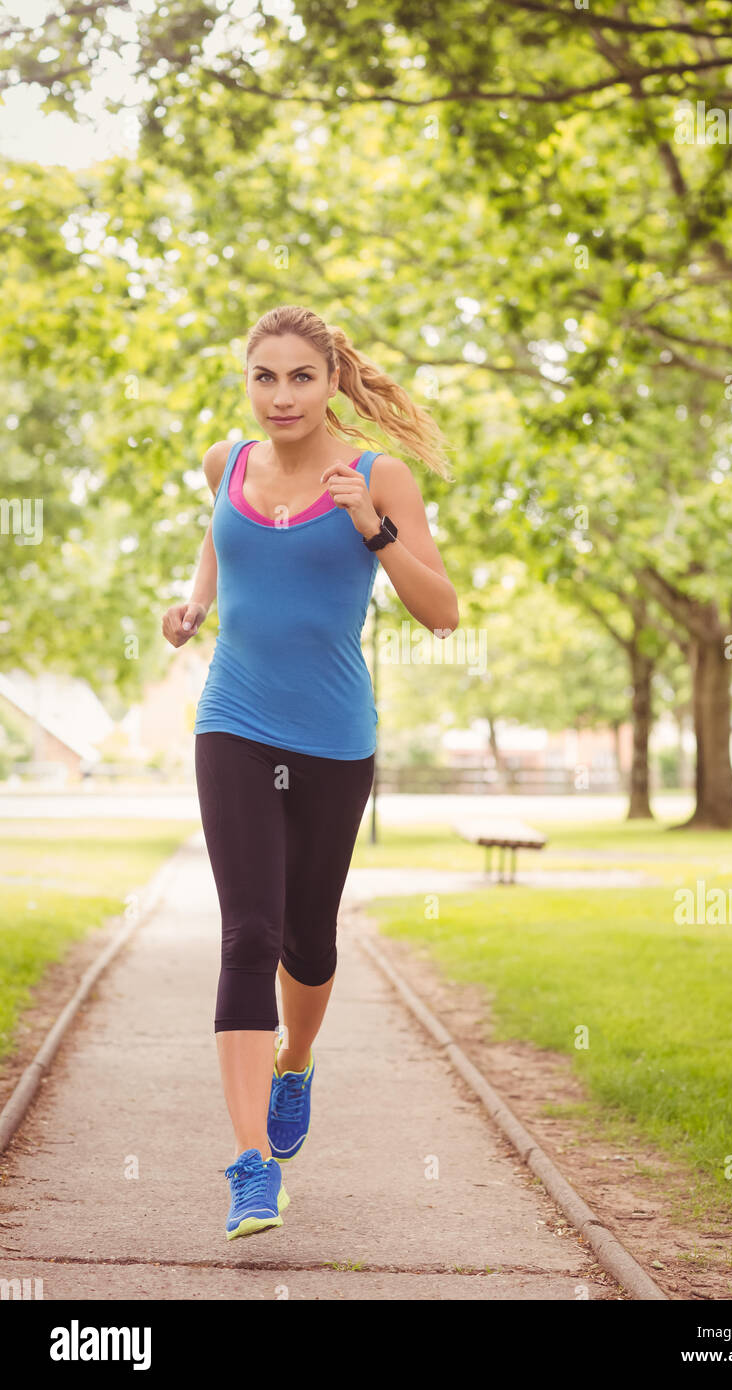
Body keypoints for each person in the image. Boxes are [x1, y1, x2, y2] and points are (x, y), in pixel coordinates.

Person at [161, 304, 458, 1240]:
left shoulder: (377, 476)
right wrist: (195, 602)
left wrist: (371, 525)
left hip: (333, 736)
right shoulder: (227, 465)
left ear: (333, 382)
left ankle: (297, 1062)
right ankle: (251, 1168)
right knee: (247, 932)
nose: (280, 395)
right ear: (246, 382)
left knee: (308, 940)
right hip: (233, 722)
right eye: (264, 377)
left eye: (300, 377)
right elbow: (220, 534)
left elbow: (442, 611)